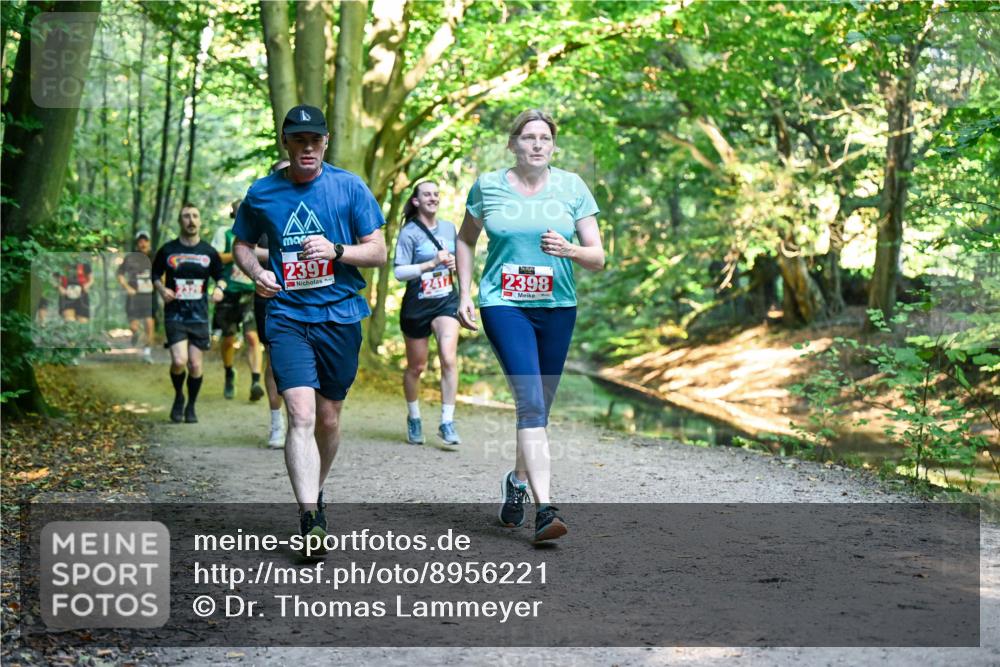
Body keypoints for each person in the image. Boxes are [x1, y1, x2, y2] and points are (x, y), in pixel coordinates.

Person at [232, 105, 386, 545]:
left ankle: (316, 493)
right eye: (298, 139)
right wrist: (257, 273)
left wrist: (337, 251)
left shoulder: (349, 187)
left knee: (328, 418)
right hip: (287, 315)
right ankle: (308, 519)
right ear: (286, 142)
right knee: (300, 413)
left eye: (315, 139)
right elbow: (242, 244)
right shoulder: (262, 193)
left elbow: (377, 252)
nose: (307, 147)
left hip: (340, 314)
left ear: (326, 142)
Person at [456, 109, 605, 543]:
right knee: (531, 403)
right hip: (505, 305)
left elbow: (598, 257)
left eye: (545, 138)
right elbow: (465, 239)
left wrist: (570, 250)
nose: (537, 144)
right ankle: (546, 510)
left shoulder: (572, 187)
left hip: (558, 306)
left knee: (540, 408)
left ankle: (517, 481)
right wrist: (464, 293)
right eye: (528, 137)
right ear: (513, 144)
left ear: (553, 146)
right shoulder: (487, 187)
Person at [393, 181, 461, 448]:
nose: (433, 198)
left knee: (448, 357)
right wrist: (431, 263)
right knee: (416, 367)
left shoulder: (449, 228)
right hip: (417, 304)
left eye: (436, 194)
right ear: (417, 201)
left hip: (445, 301)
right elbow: (399, 273)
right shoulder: (409, 233)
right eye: (427, 194)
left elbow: (460, 260)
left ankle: (447, 421)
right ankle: (414, 417)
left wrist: (456, 264)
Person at [152, 204, 226, 424]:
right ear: (180, 221)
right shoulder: (168, 250)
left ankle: (191, 404)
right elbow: (155, 273)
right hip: (175, 313)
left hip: (199, 314)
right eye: (186, 216)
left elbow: (221, 275)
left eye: (195, 216)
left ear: (200, 221)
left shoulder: (208, 252)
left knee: (194, 365)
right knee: (179, 360)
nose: (191, 220)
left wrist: (219, 289)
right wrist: (161, 289)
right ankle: (178, 396)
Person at [212, 200, 264, 401]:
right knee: (229, 339)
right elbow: (216, 259)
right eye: (238, 210)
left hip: (251, 293)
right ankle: (229, 373)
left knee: (252, 337)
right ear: (232, 214)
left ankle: (255, 382)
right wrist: (239, 251)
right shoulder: (224, 232)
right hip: (228, 293)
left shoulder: (259, 233)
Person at [256, 159, 291, 449]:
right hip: (270, 294)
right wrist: (271, 258)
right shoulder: (262, 208)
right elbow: (244, 246)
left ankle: (302, 422)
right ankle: (276, 421)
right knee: (273, 357)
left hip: (310, 295)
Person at [117, 230, 156, 362]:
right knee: (134, 326)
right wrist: (127, 288)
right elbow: (120, 274)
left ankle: (147, 352)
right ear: (137, 243)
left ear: (149, 242)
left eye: (145, 240)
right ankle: (136, 335)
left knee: (149, 323)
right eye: (140, 241)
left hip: (149, 297)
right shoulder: (130, 258)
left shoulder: (155, 257)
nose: (143, 243)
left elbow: (163, 273)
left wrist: (162, 288)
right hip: (134, 297)